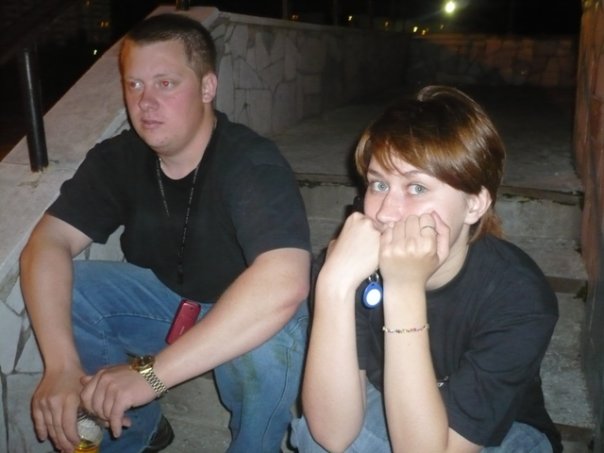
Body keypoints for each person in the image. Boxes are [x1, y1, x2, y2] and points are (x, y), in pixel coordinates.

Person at [19, 13, 311, 453]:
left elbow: (284, 282)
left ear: (207, 87)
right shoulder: (118, 158)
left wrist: (150, 376)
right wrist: (60, 367)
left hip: (243, 312)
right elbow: (47, 242)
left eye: (166, 83)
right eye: (134, 84)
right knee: (67, 285)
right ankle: (137, 430)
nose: (145, 102)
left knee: (271, 337)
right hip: (169, 305)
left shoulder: (251, 162)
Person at [290, 85, 562, 452]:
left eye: (417, 188)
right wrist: (334, 284)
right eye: (378, 184)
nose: (386, 213)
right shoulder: (353, 262)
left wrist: (404, 288)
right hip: (395, 400)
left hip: (501, 434)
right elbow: (331, 435)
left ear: (474, 204)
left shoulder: (519, 297)